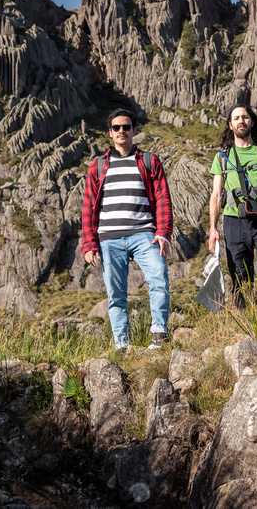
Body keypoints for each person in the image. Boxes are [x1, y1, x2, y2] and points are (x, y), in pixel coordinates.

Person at [81, 109, 172, 350]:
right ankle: (122, 346)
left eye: (126, 127)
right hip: (109, 239)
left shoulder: (149, 161)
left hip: (144, 235)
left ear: (134, 131)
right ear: (110, 133)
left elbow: (163, 198)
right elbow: (89, 207)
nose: (122, 131)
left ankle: (160, 333)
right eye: (117, 127)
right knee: (116, 296)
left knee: (159, 276)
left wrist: (163, 232)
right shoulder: (98, 166)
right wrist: (89, 244)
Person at [207, 104, 257, 306]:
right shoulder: (222, 157)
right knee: (239, 272)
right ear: (230, 125)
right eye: (236, 118)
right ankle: (244, 318)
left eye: (245, 117)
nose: (241, 121)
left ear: (252, 121)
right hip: (234, 220)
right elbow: (216, 194)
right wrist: (213, 229)